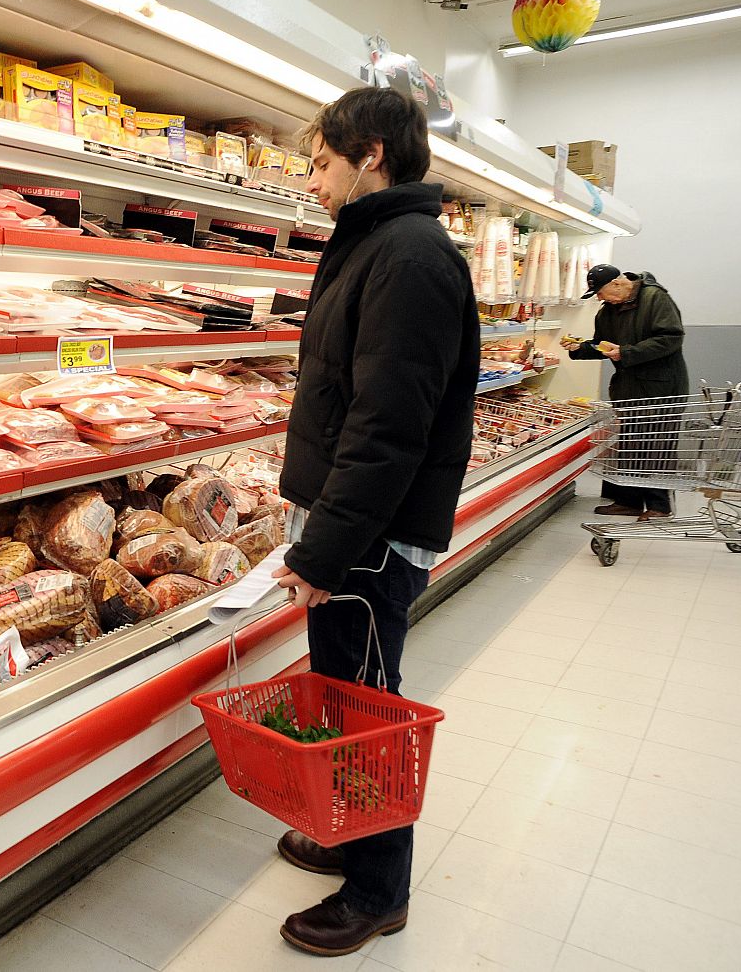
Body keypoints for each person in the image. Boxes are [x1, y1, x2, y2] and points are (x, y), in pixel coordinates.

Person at [271, 87, 478, 957]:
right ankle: (351, 840)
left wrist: (324, 550)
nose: (311, 182)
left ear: (372, 156)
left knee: (366, 709)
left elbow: (387, 430)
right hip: (353, 530)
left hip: (369, 539)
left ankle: (378, 890)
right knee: (347, 693)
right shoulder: (379, 245)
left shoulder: (408, 255)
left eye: (321, 163)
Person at [565, 265, 690, 519]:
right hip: (629, 388)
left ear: (618, 284)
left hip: (662, 387)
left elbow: (671, 338)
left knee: (657, 447)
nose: (599, 299)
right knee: (631, 445)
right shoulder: (607, 312)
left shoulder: (655, 298)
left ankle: (659, 507)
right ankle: (628, 500)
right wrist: (578, 348)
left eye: (600, 292)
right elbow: (602, 345)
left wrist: (627, 353)